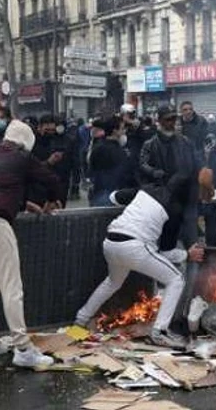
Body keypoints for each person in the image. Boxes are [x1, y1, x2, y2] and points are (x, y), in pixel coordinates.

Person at [0, 120, 62, 368]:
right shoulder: (21, 157)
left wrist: (21, 204)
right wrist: (53, 200)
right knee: (12, 287)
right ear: (25, 143)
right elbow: (50, 179)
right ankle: (22, 347)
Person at [74, 185, 205, 347]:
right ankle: (159, 332)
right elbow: (162, 252)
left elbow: (114, 196)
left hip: (110, 242)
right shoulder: (175, 208)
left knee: (112, 282)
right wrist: (187, 254)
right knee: (176, 279)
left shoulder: (146, 189)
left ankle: (80, 320)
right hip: (134, 246)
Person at [140, 105, 200, 250]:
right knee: (166, 240)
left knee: (192, 241)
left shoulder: (185, 142)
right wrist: (154, 172)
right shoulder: (150, 144)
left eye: (174, 118)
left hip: (186, 196)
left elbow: (195, 163)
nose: (172, 122)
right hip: (164, 199)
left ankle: (191, 268)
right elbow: (142, 164)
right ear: (159, 121)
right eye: (168, 119)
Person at [31, 114, 74, 206]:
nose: (50, 133)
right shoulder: (32, 144)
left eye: (52, 130)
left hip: (57, 188)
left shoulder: (59, 141)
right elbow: (30, 169)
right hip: (36, 191)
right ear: (39, 128)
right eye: (47, 130)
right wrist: (48, 162)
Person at [88, 115, 128, 207]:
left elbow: (91, 170)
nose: (124, 132)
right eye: (122, 129)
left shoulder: (98, 147)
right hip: (112, 195)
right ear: (115, 131)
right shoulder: (118, 151)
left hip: (99, 193)